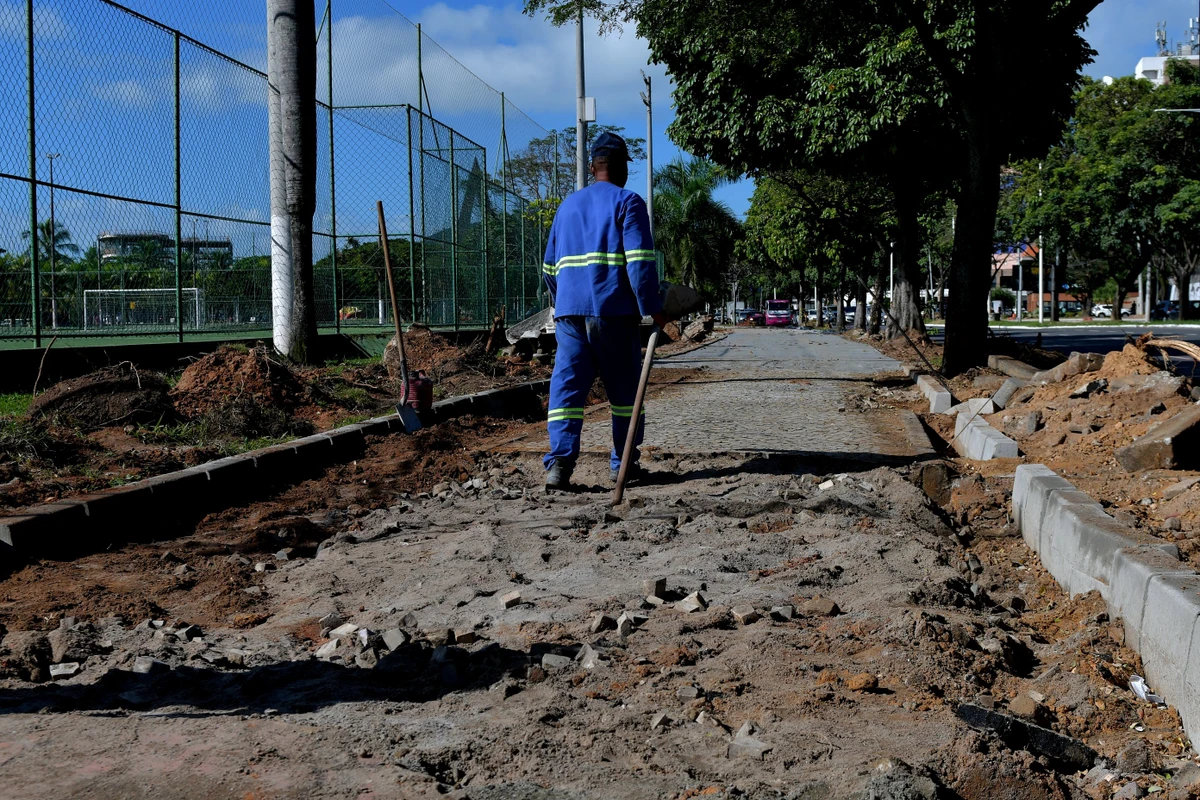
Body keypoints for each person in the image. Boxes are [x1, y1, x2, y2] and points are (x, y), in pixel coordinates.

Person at [540, 131, 668, 491]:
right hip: (613, 312)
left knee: (566, 391)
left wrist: (563, 302)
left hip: (569, 315)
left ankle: (560, 467)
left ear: (594, 166)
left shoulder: (566, 207)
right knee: (626, 393)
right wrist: (653, 309)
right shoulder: (628, 202)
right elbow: (640, 264)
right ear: (622, 168)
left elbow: (549, 269)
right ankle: (622, 464)